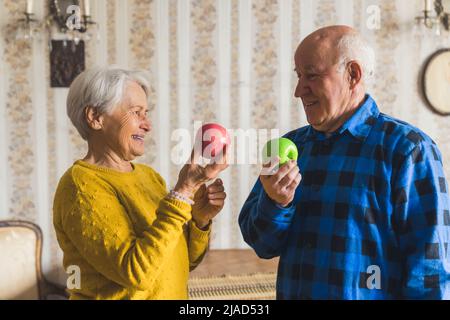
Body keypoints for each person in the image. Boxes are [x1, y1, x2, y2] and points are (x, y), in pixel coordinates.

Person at [239, 25, 450, 299]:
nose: (299, 90)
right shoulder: (293, 147)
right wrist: (276, 202)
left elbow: (430, 275)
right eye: (299, 76)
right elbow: (261, 244)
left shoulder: (410, 150)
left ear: (353, 74)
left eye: (311, 75)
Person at [53, 66, 228, 299]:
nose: (147, 125)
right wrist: (183, 192)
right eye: (136, 112)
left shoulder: (149, 176)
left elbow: (182, 262)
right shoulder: (80, 185)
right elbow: (137, 273)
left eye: (146, 113)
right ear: (95, 117)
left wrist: (199, 220)